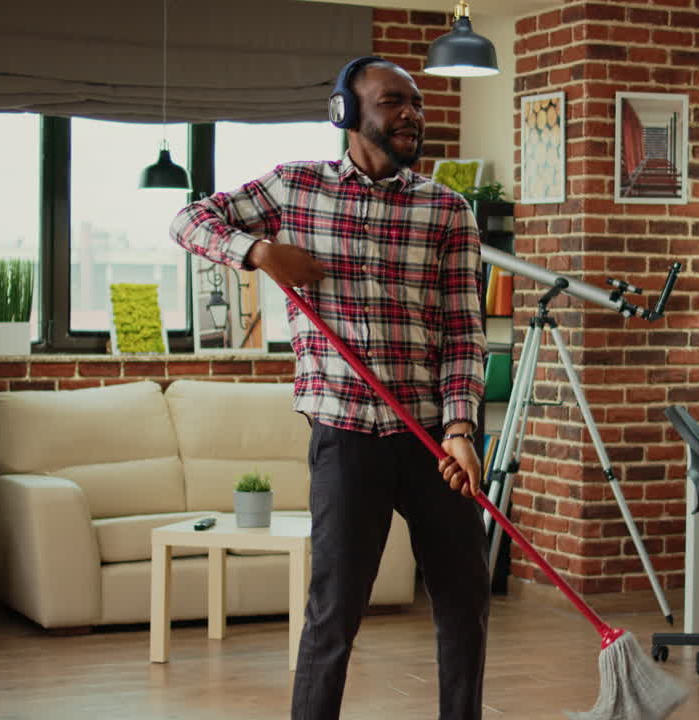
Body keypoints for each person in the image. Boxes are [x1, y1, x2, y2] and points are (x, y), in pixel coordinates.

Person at [169, 56, 490, 720]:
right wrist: (258, 253)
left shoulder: (448, 210)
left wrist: (461, 430)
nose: (410, 114)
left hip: (432, 436)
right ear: (346, 112)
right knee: (334, 611)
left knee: (465, 602)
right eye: (392, 101)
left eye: (417, 104)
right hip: (345, 436)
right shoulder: (294, 189)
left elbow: (463, 329)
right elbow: (189, 221)